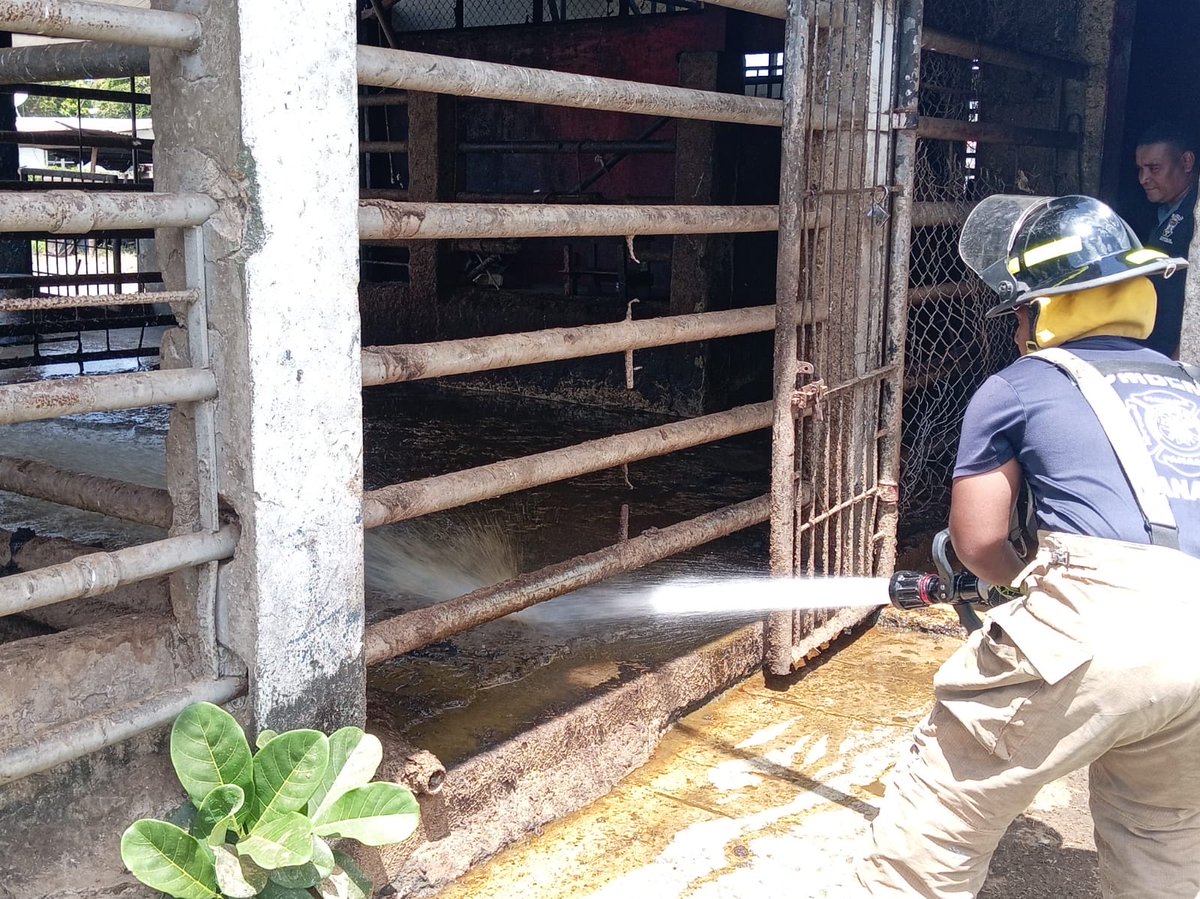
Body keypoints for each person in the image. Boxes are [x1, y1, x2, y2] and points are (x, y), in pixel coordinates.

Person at [856, 194, 1200, 898]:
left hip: (1101, 621)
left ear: (1047, 307)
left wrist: (1014, 583)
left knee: (934, 824)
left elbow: (979, 540)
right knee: (1164, 846)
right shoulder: (1184, 383)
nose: (1015, 327)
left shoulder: (1019, 384)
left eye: (1017, 310)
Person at [1134, 122, 1197, 357]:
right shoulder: (1153, 210)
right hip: (1148, 344)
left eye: (1154, 168)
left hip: (1173, 354)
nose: (1143, 178)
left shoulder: (1194, 215)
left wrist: (1181, 358)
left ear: (1187, 162)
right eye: (1140, 169)